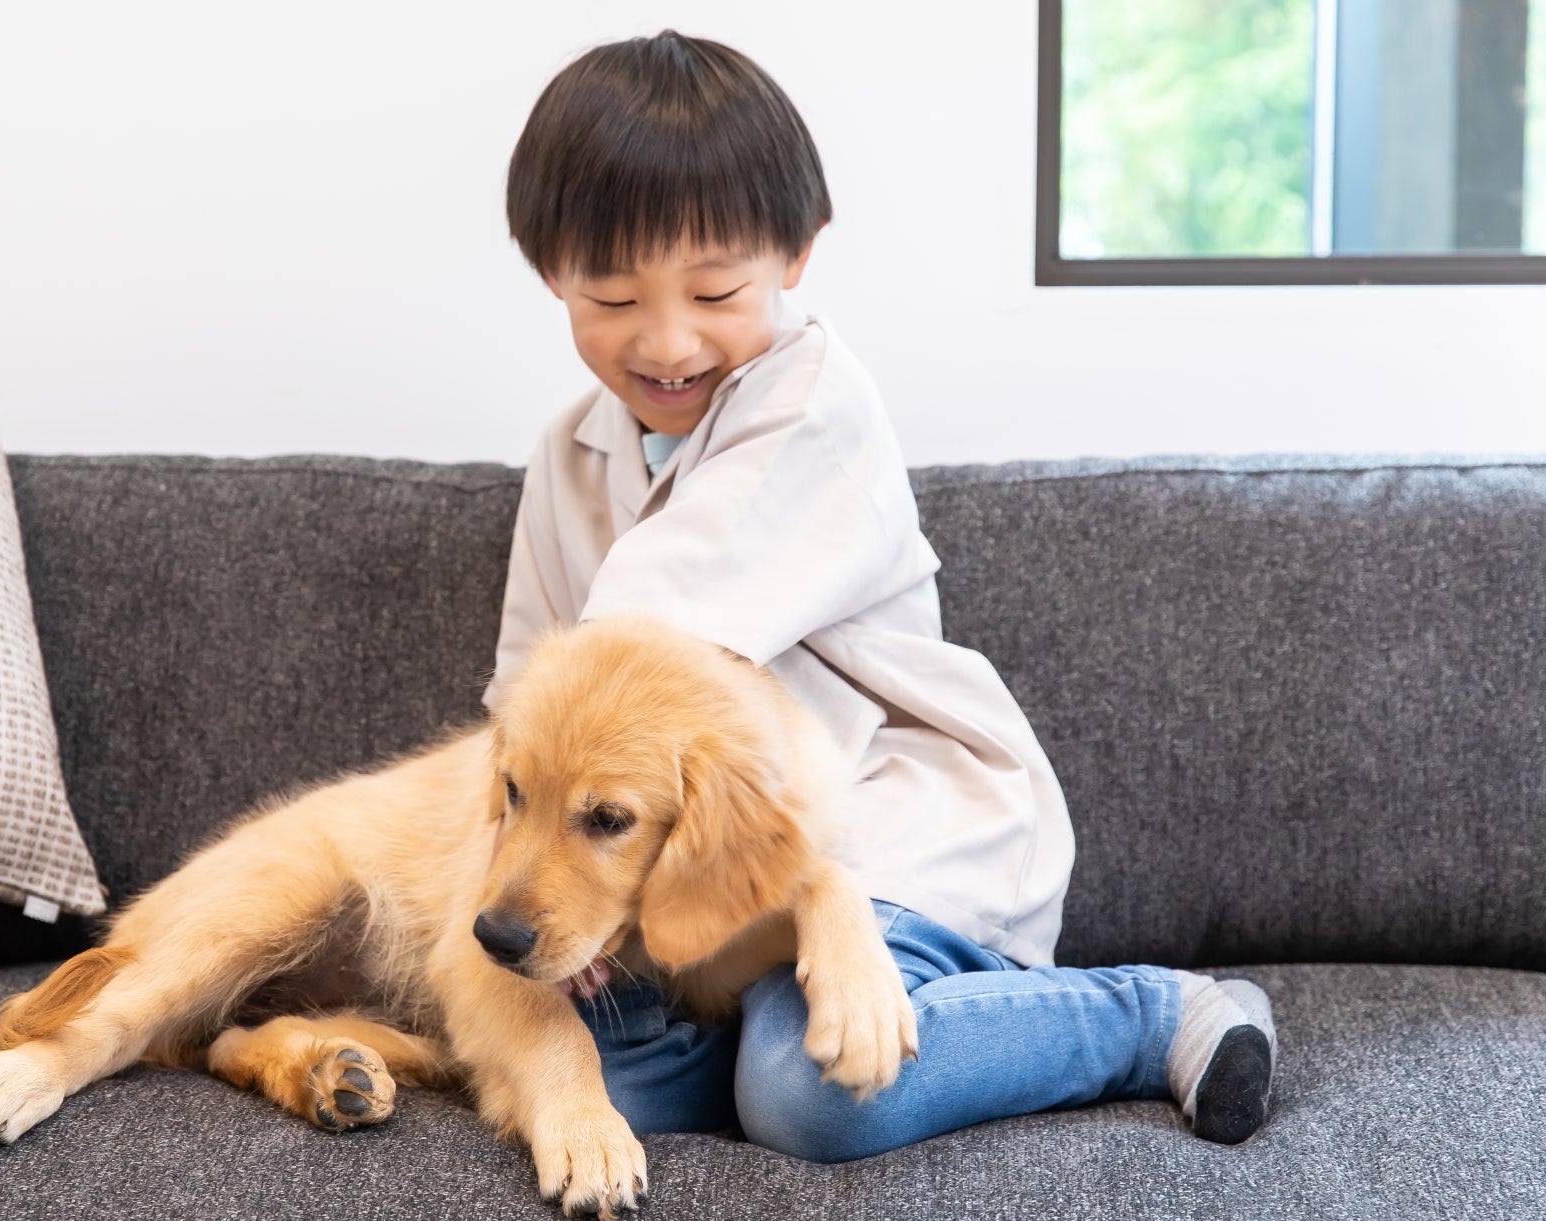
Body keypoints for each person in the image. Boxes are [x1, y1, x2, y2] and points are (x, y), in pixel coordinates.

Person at [480, 30, 1276, 1160]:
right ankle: (757, 1028)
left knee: (814, 1096)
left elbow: (631, 654)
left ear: (798, 255)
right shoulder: (567, 456)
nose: (666, 340)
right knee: (612, 1089)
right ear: (551, 275)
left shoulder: (813, 406)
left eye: (714, 290)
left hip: (892, 835)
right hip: (714, 898)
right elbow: (523, 710)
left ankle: (1157, 1013)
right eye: (610, 295)